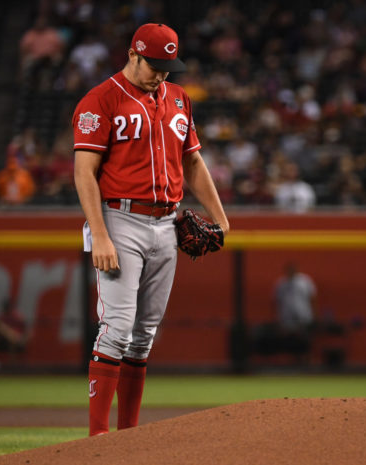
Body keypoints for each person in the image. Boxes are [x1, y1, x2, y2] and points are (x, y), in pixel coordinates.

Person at [73, 23, 229, 436]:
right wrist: (100, 233)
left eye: (167, 66)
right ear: (133, 54)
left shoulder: (178, 99)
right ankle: (97, 438)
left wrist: (220, 215)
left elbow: (193, 163)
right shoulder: (100, 100)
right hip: (119, 218)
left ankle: (129, 437)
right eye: (154, 65)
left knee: (143, 336)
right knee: (118, 328)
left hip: (167, 223)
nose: (161, 73)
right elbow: (84, 172)